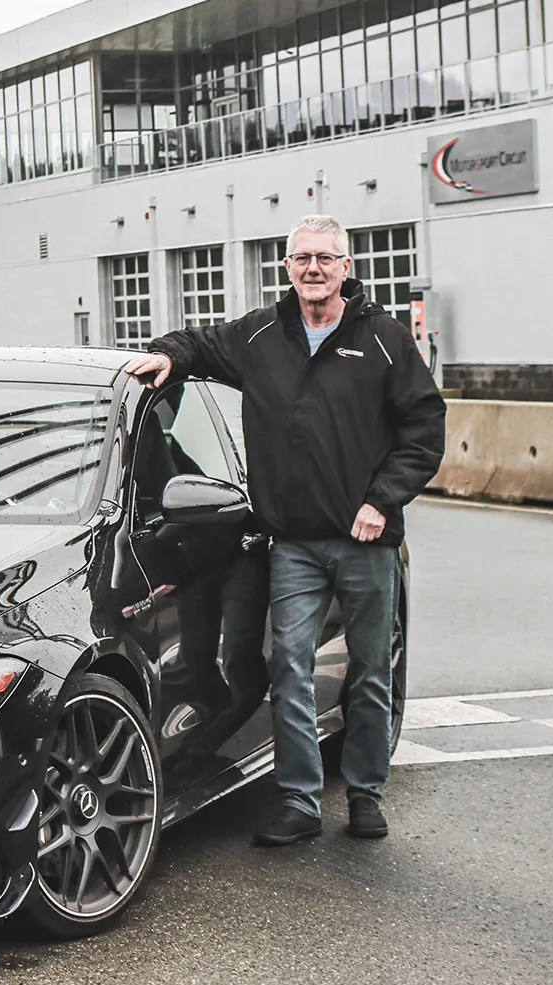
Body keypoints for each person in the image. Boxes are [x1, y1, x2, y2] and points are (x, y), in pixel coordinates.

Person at [125, 214, 446, 845]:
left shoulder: (381, 339)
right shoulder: (261, 336)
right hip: (292, 543)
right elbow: (198, 344)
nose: (313, 269)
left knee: (370, 671)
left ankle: (364, 792)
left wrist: (381, 500)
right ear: (287, 266)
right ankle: (299, 800)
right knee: (291, 669)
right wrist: (166, 353)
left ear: (345, 268)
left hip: (366, 539)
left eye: (326, 258)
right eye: (302, 259)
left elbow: (424, 428)